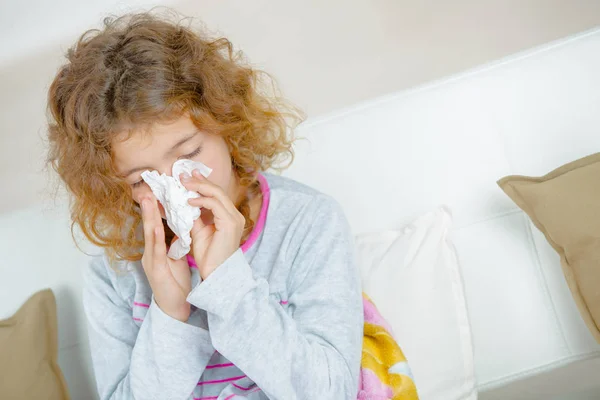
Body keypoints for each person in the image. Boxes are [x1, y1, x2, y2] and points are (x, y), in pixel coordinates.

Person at [46, 11, 363, 400]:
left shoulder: (308, 223)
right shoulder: (114, 271)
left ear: (227, 124)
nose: (176, 189)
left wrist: (227, 284)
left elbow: (332, 392)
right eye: (143, 180)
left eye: (190, 153)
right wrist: (170, 312)